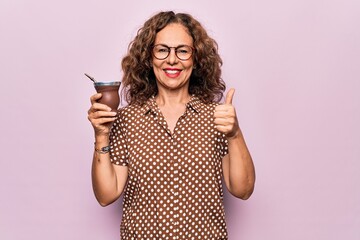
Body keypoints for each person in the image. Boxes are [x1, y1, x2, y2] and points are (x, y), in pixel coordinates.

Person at [87, 11, 255, 239]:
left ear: (196, 59)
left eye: (183, 51)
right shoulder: (126, 120)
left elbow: (243, 190)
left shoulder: (218, 117)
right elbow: (106, 195)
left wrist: (234, 134)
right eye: (162, 50)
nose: (172, 60)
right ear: (149, 57)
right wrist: (101, 135)